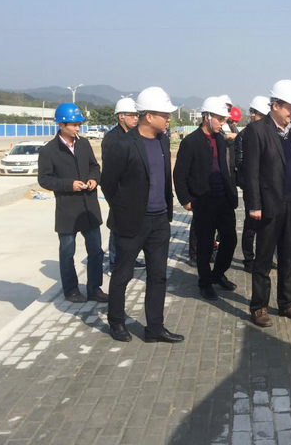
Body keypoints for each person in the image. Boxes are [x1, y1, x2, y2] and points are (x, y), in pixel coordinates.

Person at [100, 87, 184, 344]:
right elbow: (108, 184)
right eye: (164, 115)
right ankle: (116, 322)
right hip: (131, 222)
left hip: (159, 221)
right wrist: (124, 209)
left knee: (158, 275)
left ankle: (154, 328)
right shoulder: (123, 144)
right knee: (122, 274)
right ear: (149, 116)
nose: (168, 119)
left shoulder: (163, 141)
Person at [243, 80, 291, 327]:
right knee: (263, 258)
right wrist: (254, 205)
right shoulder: (257, 130)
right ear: (275, 105)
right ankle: (259, 307)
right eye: (289, 107)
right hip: (269, 204)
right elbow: (251, 171)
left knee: (289, 256)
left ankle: (287, 303)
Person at [38, 102, 107, 304]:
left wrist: (94, 179)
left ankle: (94, 288)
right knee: (67, 252)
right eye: (74, 124)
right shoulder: (49, 151)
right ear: (61, 125)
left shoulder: (84, 144)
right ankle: (71, 290)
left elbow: (94, 166)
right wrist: (69, 185)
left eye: (79, 124)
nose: (78, 128)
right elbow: (44, 179)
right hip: (68, 209)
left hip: (88, 208)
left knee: (96, 251)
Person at [173, 96, 239, 301]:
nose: (222, 123)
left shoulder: (220, 139)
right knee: (204, 245)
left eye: (224, 119)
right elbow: (179, 174)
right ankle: (205, 282)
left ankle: (218, 274)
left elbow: (225, 168)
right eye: (220, 119)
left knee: (230, 240)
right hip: (203, 200)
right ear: (207, 117)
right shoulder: (191, 142)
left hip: (223, 199)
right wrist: (185, 199)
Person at [101, 97, 145, 273]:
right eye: (132, 115)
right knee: (117, 227)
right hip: (119, 191)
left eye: (137, 115)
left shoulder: (136, 136)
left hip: (134, 190)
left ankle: (130, 259)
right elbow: (110, 173)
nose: (135, 118)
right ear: (121, 117)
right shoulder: (112, 139)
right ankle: (114, 263)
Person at [234, 96, 271, 272]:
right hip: (251, 187)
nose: (262, 119)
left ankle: (264, 258)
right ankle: (249, 260)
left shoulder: (270, 134)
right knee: (251, 225)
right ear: (252, 114)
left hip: (267, 188)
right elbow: (240, 162)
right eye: (260, 115)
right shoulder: (244, 135)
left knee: (267, 226)